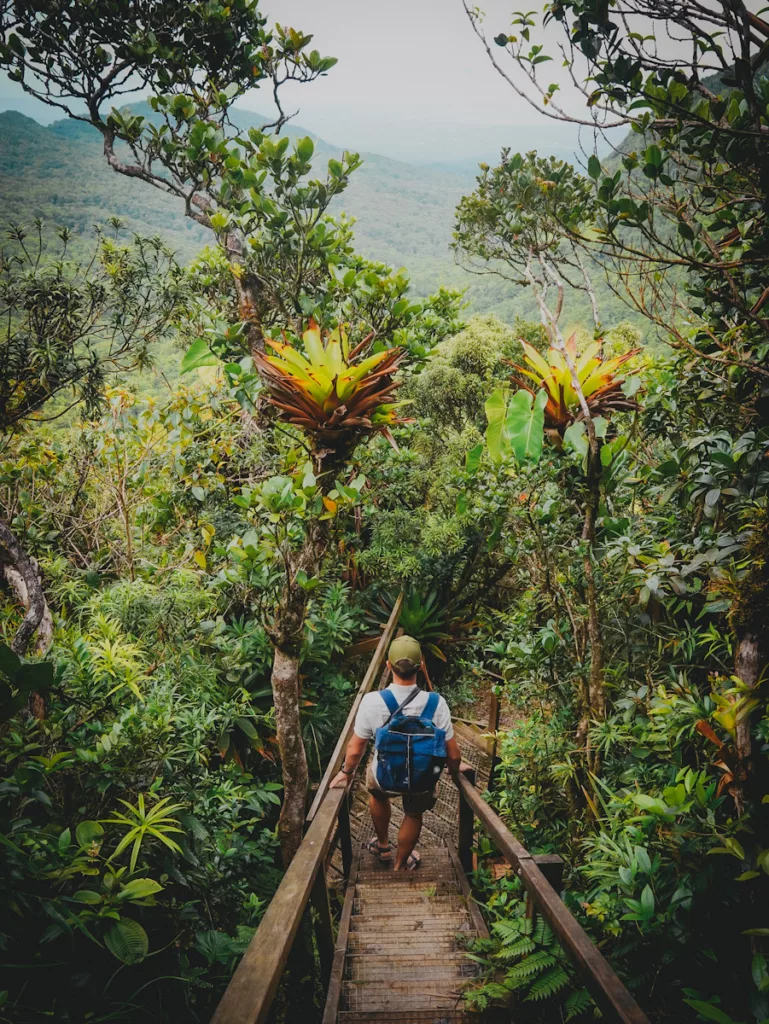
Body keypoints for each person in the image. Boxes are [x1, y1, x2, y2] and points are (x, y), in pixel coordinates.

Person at [330, 635, 463, 870]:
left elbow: (355, 748)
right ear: (420, 666)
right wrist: (454, 773)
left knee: (377, 793)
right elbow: (453, 754)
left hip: (386, 777)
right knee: (413, 813)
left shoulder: (372, 701)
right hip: (422, 780)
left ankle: (383, 847)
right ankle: (400, 864)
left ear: (388, 665)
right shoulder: (437, 702)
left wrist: (346, 772)